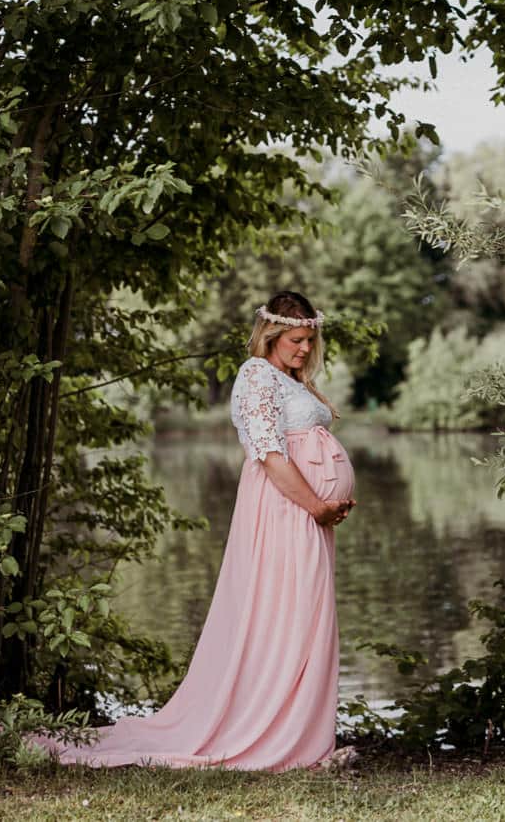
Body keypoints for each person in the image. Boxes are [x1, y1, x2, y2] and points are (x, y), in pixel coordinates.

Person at [37, 290, 355, 770]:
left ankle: (303, 737)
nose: (305, 349)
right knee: (285, 615)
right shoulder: (256, 376)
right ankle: (275, 737)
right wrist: (316, 506)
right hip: (286, 512)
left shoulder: (287, 379)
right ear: (271, 335)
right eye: (296, 339)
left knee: (306, 618)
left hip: (306, 515)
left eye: (311, 340)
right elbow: (269, 455)